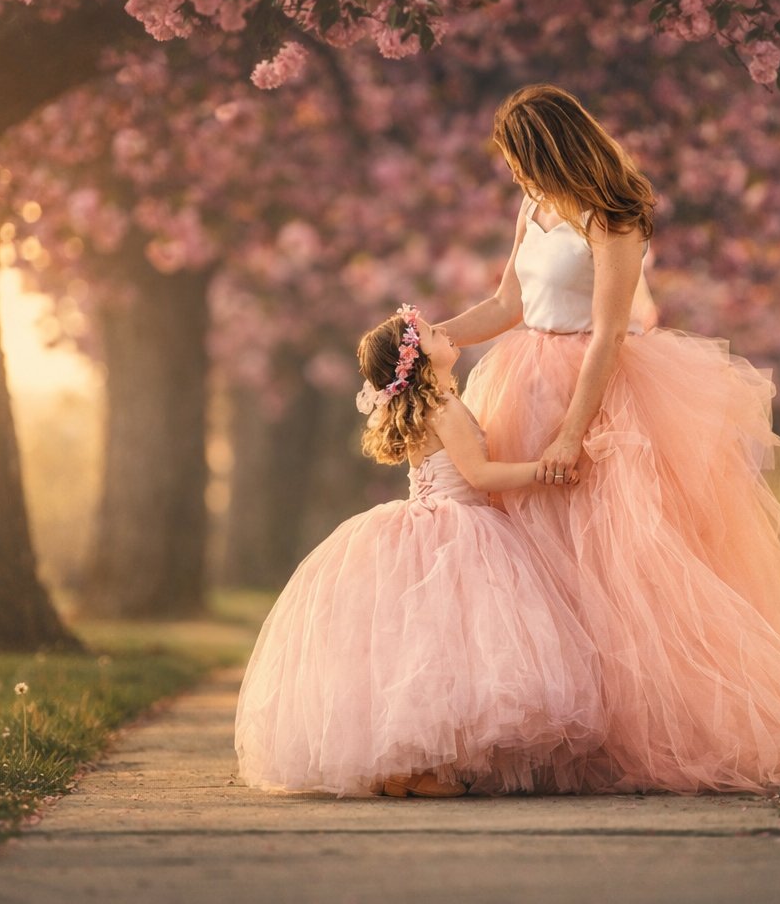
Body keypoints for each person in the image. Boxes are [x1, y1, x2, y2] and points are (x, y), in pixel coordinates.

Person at [439, 83, 780, 793]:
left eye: (519, 160)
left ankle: (630, 731)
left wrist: (571, 433)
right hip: (519, 384)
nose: (514, 176)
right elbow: (506, 304)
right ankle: (555, 726)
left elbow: (611, 332)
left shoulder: (611, 218)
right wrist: (433, 335)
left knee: (613, 562)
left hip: (595, 391)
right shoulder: (533, 208)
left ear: (549, 149)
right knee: (535, 558)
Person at [234, 304, 603, 798]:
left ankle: (407, 765)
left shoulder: (436, 403)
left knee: (428, 648)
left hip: (432, 524)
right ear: (415, 358)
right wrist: (545, 471)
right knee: (449, 646)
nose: (444, 332)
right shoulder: (445, 409)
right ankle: (419, 766)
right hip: (456, 529)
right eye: (431, 332)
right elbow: (481, 476)